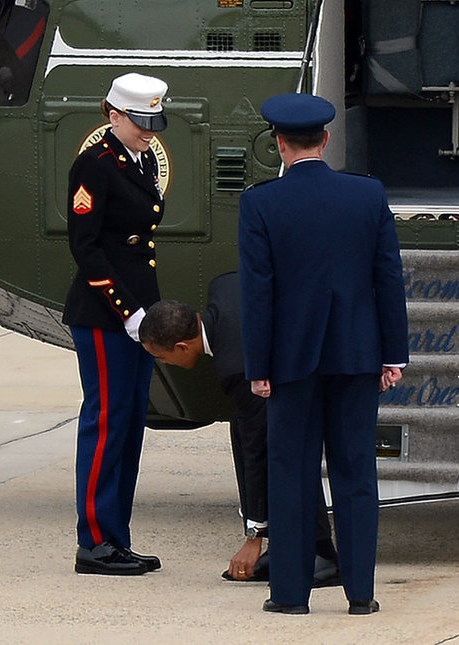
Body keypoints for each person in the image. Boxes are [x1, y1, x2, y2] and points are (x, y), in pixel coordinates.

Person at [238, 93, 409, 615]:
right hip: (357, 356)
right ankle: (361, 594)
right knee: (357, 474)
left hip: (291, 362)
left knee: (291, 474)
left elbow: (258, 292)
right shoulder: (367, 195)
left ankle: (290, 595)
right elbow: (388, 279)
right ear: (327, 140)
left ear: (279, 144)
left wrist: (259, 367)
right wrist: (393, 355)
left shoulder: (261, 202)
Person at [137, 273, 341, 586]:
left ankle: (322, 554)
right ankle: (285, 545)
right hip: (307, 344)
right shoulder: (222, 287)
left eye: (161, 357)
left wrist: (252, 535)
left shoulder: (236, 365)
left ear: (180, 346)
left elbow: (257, 449)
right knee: (243, 426)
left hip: (335, 359)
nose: (163, 363)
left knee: (284, 445)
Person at [62, 72, 169, 576]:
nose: (150, 132)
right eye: (141, 123)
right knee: (106, 424)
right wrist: (128, 313)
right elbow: (86, 247)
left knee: (128, 426)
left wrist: (146, 315)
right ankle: (95, 543)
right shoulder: (95, 165)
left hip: (138, 316)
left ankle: (116, 537)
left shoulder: (140, 157)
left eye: (154, 122)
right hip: (106, 317)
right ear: (114, 115)